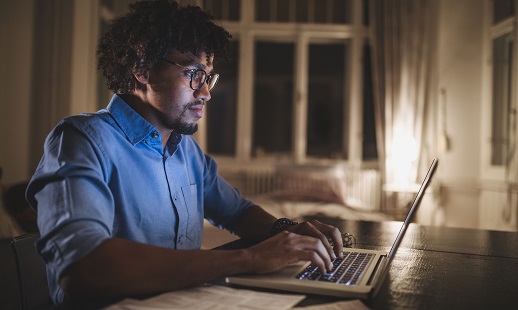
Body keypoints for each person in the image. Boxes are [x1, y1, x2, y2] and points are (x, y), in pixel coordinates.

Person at [26, 0, 345, 305]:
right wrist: (248, 259)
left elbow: (237, 211)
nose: (205, 93)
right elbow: (84, 267)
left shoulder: (186, 151)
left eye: (208, 77)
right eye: (193, 74)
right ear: (143, 69)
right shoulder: (81, 140)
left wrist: (287, 232)